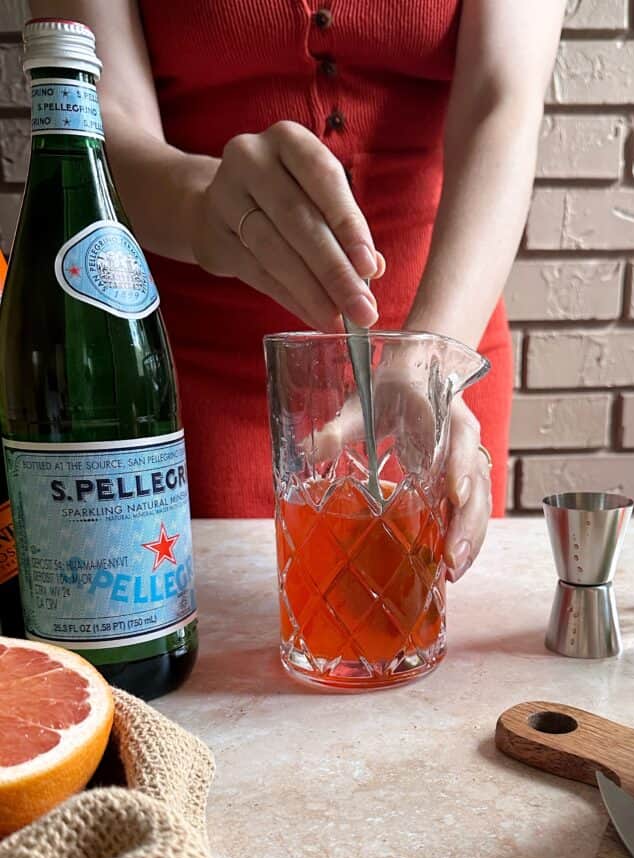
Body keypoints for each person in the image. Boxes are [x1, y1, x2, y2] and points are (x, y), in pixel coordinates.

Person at [35, 1, 565, 581]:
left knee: (420, 633)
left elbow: (504, 104)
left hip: (440, 358)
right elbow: (96, 114)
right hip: (197, 380)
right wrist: (205, 201)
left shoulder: (438, 361)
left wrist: (434, 355)